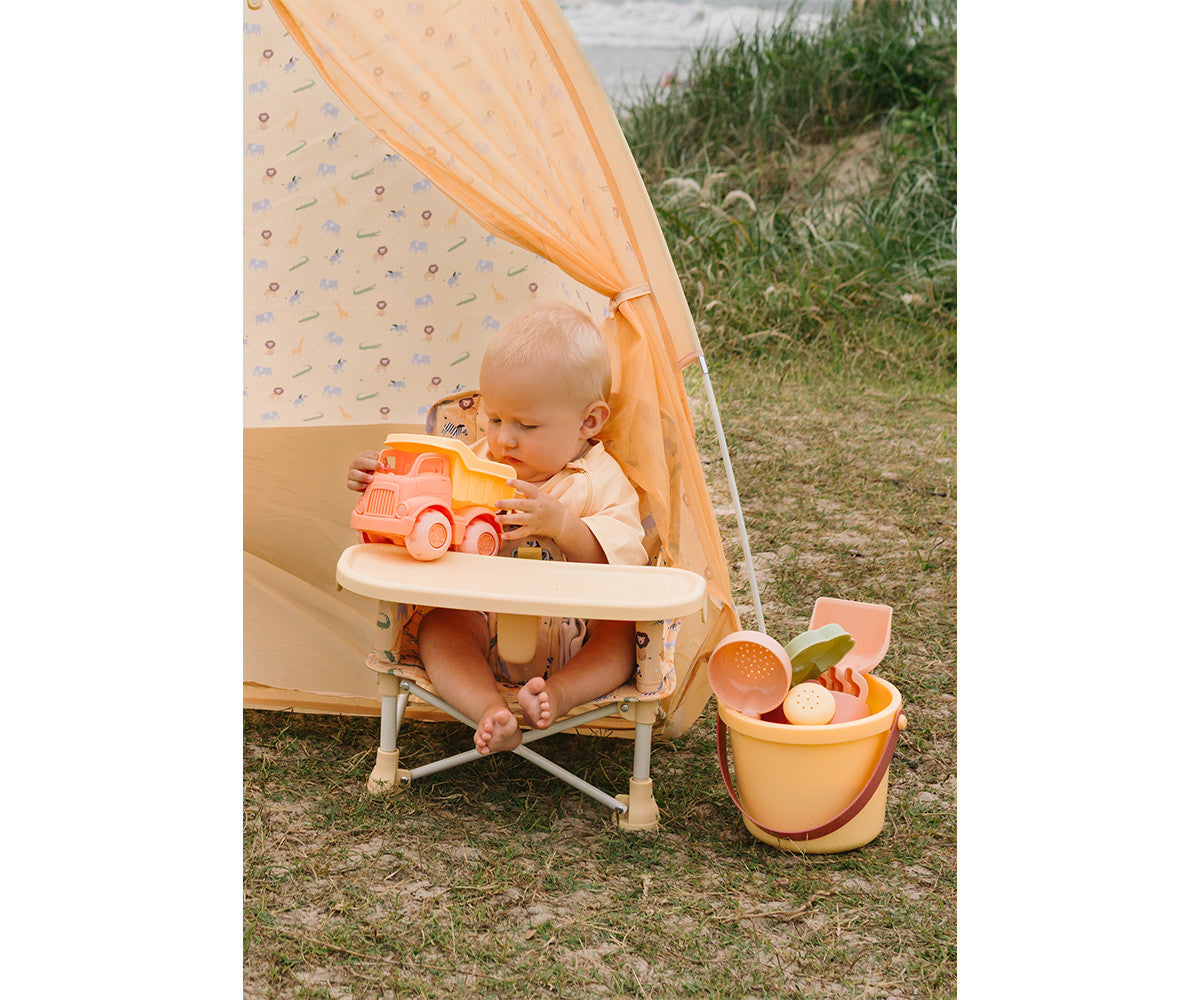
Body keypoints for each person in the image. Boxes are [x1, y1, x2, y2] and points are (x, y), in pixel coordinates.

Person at [347, 303, 647, 755]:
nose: (504, 438)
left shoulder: (602, 479)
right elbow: (421, 517)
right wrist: (383, 481)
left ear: (588, 422)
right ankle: (489, 709)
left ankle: (558, 695)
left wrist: (564, 525)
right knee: (439, 627)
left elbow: (624, 563)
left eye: (527, 425)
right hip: (481, 626)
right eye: (495, 418)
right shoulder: (472, 464)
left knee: (622, 636)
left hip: (575, 635)